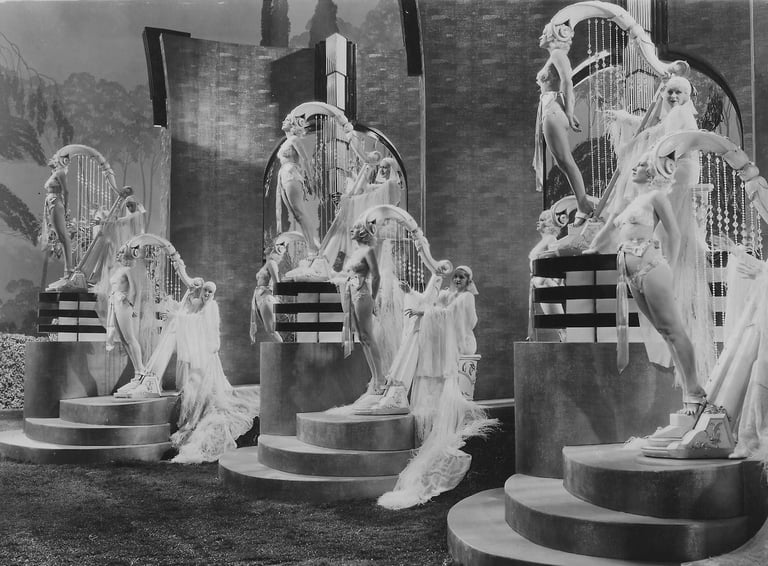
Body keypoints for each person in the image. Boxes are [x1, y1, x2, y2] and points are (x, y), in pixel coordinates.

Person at [602, 75, 715, 384]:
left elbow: (663, 138)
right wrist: (627, 119)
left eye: (679, 91)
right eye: (669, 91)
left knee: (668, 225)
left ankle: (670, 263)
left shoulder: (681, 114)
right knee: (660, 224)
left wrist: (643, 150)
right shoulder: (672, 115)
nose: (674, 96)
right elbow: (654, 131)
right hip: (672, 170)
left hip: (679, 170)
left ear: (688, 95)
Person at [584, 156, 707, 422]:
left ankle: (695, 390)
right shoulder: (628, 203)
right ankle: (688, 391)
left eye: (639, 165)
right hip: (629, 273)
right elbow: (607, 229)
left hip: (651, 266)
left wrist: (670, 265)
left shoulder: (656, 197)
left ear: (651, 172)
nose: (634, 168)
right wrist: (592, 248)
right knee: (664, 332)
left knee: (673, 329)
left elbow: (674, 233)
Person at [377, 266, 497, 509]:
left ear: (469, 280)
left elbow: (453, 316)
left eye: (462, 277)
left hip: (461, 342)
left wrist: (424, 313)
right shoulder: (445, 294)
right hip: (443, 342)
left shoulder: (466, 298)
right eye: (456, 276)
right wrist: (411, 294)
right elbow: (429, 302)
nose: (458, 280)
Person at [171, 281, 260, 464]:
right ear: (201, 290)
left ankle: (201, 416)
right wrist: (184, 303)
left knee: (207, 386)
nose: (207, 294)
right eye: (205, 290)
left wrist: (211, 347)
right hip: (198, 350)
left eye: (210, 292)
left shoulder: (212, 307)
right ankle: (194, 416)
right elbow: (186, 316)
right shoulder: (197, 304)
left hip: (207, 350)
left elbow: (212, 329)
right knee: (195, 384)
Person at [534, 22, 594, 225]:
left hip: (553, 109)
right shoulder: (554, 56)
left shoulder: (558, 54)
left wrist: (569, 112)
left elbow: (567, 81)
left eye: (544, 33)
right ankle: (583, 204)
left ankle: (584, 205)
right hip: (551, 109)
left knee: (566, 161)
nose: (541, 36)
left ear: (554, 35)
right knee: (563, 162)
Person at [335, 221, 385, 399]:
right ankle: (374, 378)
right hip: (352, 293)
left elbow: (376, 276)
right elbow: (348, 274)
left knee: (368, 336)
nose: (351, 230)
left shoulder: (368, 251)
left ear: (363, 231)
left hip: (363, 295)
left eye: (355, 228)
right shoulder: (355, 252)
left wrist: (373, 297)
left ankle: (381, 378)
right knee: (362, 338)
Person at [105, 266, 148, 387]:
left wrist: (129, 303)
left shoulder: (128, 270)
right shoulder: (116, 269)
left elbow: (134, 290)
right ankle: (137, 370)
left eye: (122, 255)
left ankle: (141, 369)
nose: (119, 256)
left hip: (123, 303)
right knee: (123, 340)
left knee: (130, 338)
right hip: (114, 302)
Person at [276, 137, 320, 253]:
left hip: (292, 174)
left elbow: (305, 159)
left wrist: (310, 179)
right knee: (297, 215)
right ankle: (311, 245)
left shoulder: (294, 139)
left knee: (300, 213)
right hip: (284, 175)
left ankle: (312, 247)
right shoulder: (287, 140)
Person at [528, 210, 566, 342]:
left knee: (560, 326)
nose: (539, 222)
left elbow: (558, 262)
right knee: (558, 327)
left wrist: (552, 280)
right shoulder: (545, 240)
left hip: (546, 284)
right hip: (540, 284)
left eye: (543, 220)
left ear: (550, 223)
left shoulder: (551, 239)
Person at [42, 157, 75, 291]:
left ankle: (69, 272)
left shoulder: (61, 172)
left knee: (63, 237)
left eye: (56, 158)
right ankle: (67, 273)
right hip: (52, 202)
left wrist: (66, 209)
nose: (52, 160)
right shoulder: (55, 173)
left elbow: (66, 191)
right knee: (61, 237)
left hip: (56, 203)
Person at [250, 242, 284, 343]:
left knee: (272, 331)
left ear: (274, 250)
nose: (267, 247)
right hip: (259, 297)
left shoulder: (272, 263)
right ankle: (283, 349)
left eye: (270, 246)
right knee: (269, 330)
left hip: (266, 297)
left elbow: (277, 283)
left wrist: (277, 296)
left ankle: (285, 349)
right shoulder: (267, 264)